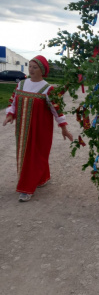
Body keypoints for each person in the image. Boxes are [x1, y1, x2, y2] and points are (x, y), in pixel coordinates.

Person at [3, 55, 73, 202]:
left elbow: (56, 110)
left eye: (35, 67)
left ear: (42, 70)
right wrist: (10, 114)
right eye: (30, 66)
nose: (31, 69)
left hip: (40, 130)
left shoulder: (47, 89)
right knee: (25, 155)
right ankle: (41, 178)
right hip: (22, 128)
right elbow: (13, 101)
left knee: (35, 155)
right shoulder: (21, 85)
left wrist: (64, 128)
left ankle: (27, 189)